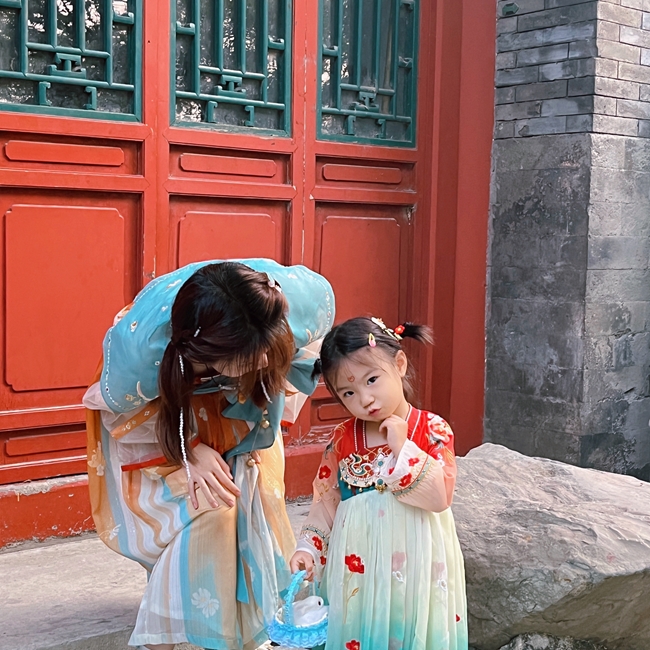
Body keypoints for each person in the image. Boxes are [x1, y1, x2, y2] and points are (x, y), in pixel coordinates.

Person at [84, 259, 335, 650]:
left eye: (266, 351)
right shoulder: (140, 359)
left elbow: (292, 358)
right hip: (164, 414)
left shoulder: (300, 305)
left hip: (247, 396)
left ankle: (244, 626)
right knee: (209, 507)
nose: (263, 362)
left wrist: (255, 411)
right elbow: (121, 414)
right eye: (250, 356)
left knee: (257, 495)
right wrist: (188, 448)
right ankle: (173, 631)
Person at [290, 316, 468, 650]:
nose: (365, 399)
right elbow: (326, 504)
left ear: (399, 364)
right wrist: (308, 548)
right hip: (359, 567)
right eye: (349, 392)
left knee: (411, 630)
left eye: (372, 380)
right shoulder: (343, 439)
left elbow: (440, 497)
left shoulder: (432, 429)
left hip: (417, 567)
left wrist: (403, 448)